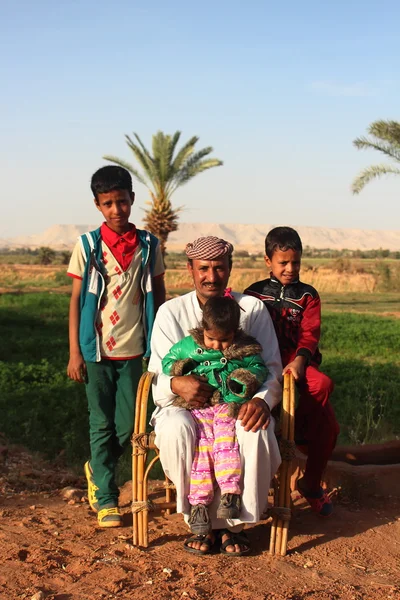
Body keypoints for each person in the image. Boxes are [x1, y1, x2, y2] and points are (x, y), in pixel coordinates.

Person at [148, 236, 282, 556]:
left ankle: (234, 526)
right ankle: (201, 522)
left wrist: (260, 400)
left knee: (255, 431)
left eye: (219, 268)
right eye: (204, 268)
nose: (211, 276)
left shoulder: (252, 309)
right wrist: (177, 385)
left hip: (236, 404)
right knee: (176, 430)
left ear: (229, 269)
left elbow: (272, 368)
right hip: (184, 406)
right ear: (191, 269)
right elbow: (158, 375)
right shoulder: (171, 312)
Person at [66, 165, 165, 527]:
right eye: (107, 204)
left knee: (130, 426)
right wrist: (75, 351)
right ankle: (107, 499)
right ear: (97, 205)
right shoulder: (88, 246)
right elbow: (76, 300)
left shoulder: (150, 245)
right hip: (96, 352)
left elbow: (159, 292)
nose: (116, 210)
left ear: (132, 200)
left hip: (136, 350)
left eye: (121, 202)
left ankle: (97, 465)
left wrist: (161, 342)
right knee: (100, 423)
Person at [244, 226, 339, 517]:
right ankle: (258, 485)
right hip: (264, 364)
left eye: (295, 262)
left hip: (299, 362)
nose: (289, 268)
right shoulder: (254, 294)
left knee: (322, 390)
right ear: (267, 261)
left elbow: (310, 333)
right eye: (283, 262)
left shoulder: (308, 295)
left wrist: (300, 359)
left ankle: (308, 473)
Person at [162, 296, 268, 541]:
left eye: (225, 340)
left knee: (225, 444)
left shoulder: (246, 348)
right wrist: (183, 368)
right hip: (199, 406)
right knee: (202, 450)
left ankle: (230, 494)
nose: (218, 346)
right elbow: (168, 362)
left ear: (236, 332)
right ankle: (199, 504)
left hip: (227, 406)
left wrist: (243, 379)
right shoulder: (188, 346)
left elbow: (259, 368)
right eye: (211, 339)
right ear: (202, 329)